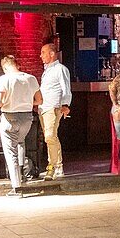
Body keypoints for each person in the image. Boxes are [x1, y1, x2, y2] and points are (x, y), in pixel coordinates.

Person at [0, 55, 41, 196]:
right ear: (17, 65)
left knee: (10, 151)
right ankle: (23, 174)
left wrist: (9, 101)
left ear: (5, 67)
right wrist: (24, 102)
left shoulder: (4, 79)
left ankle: (17, 187)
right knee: (20, 142)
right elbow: (39, 100)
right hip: (27, 117)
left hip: (9, 117)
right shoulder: (30, 78)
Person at [38, 42, 72, 181]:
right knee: (50, 137)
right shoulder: (47, 70)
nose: (41, 56)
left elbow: (66, 88)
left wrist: (65, 104)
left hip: (53, 107)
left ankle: (53, 166)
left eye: (43, 53)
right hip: (43, 108)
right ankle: (56, 165)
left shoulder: (60, 69)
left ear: (52, 54)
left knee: (50, 136)